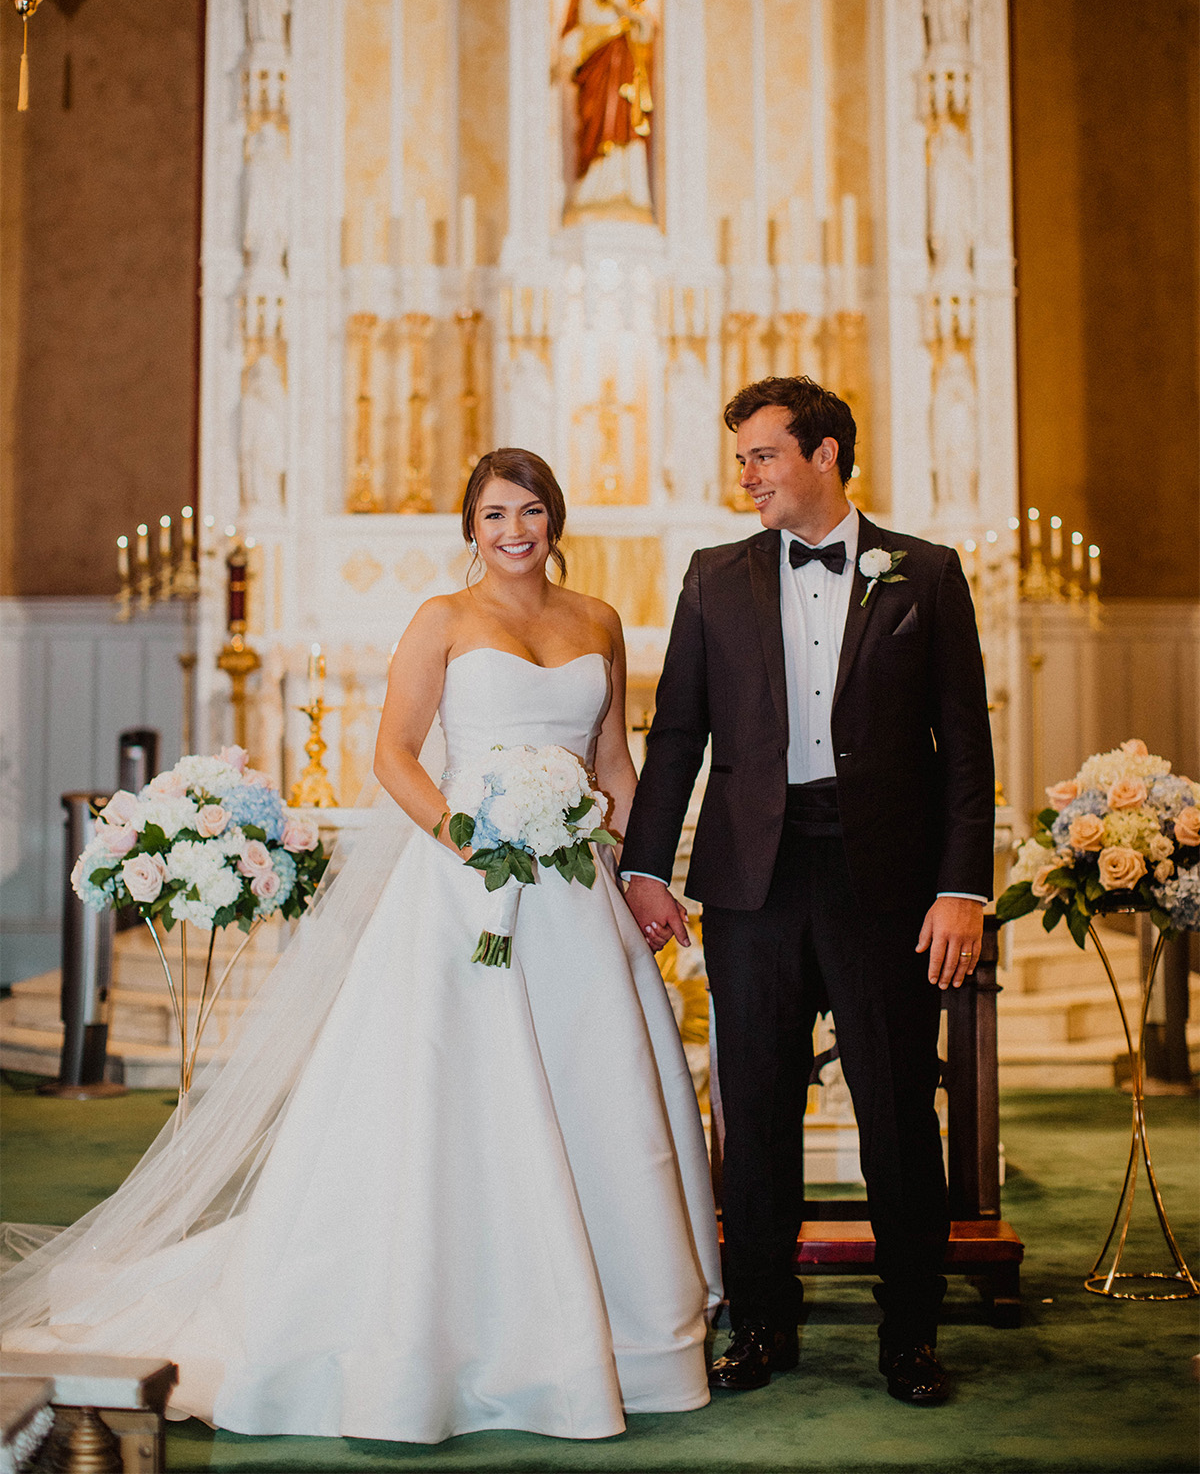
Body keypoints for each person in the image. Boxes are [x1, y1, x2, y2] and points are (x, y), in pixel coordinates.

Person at [1, 447, 719, 1444]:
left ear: (556, 520)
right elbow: (392, 751)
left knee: (595, 1090)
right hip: (465, 887)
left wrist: (649, 877)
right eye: (496, 513)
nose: (516, 529)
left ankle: (623, 1330)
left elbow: (610, 761)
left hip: (575, 896)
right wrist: (465, 836)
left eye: (532, 511)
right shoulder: (442, 620)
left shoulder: (595, 620)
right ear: (470, 527)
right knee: (453, 1099)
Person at [621, 377, 994, 1406]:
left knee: (896, 1114)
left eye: (763, 455)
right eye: (741, 457)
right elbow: (678, 738)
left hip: (886, 878)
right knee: (757, 1109)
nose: (745, 475)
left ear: (825, 454)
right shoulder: (713, 577)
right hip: (752, 879)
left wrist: (962, 888)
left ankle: (911, 1332)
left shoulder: (925, 573)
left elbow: (965, 749)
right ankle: (761, 1323)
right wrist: (646, 869)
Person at [560, 0, 654, 222]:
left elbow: (646, 30)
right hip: (594, 69)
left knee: (622, 121)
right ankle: (590, 189)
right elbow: (569, 34)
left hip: (621, 64)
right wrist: (581, 47)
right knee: (594, 123)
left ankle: (625, 189)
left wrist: (621, 11)